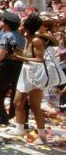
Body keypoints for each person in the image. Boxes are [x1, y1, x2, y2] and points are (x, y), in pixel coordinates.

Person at [10, 13, 47, 142]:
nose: (19, 27)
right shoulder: (26, 39)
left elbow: (40, 59)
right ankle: (19, 131)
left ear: (26, 28)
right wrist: (18, 53)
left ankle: (42, 136)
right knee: (17, 102)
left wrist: (20, 57)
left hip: (35, 73)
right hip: (25, 72)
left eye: (21, 25)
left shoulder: (36, 40)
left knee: (35, 106)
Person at [0, 12, 24, 126]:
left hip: (7, 66)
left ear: (6, 24)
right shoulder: (22, 37)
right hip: (19, 66)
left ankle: (2, 116)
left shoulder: (7, 36)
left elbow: (0, 55)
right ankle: (12, 115)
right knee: (14, 92)